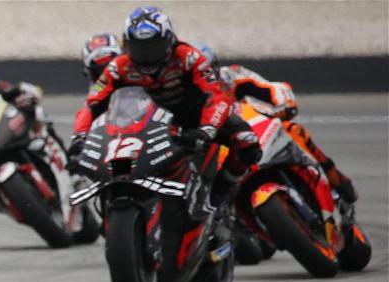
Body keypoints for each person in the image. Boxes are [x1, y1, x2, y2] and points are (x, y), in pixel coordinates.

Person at [67, 8, 260, 208]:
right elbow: (92, 103)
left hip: (194, 120)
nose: (147, 57)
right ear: (127, 46)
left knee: (247, 142)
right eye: (139, 49)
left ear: (169, 41)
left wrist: (206, 129)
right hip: (148, 124)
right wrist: (79, 137)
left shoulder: (189, 57)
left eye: (154, 48)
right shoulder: (118, 67)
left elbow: (217, 97)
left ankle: (221, 193)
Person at [199, 44, 356, 203]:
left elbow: (274, 89)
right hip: (222, 146)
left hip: (255, 131)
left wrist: (283, 106)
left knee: (293, 131)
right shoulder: (189, 98)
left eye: (206, 71)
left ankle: (335, 180)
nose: (203, 77)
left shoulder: (232, 75)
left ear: (215, 67)